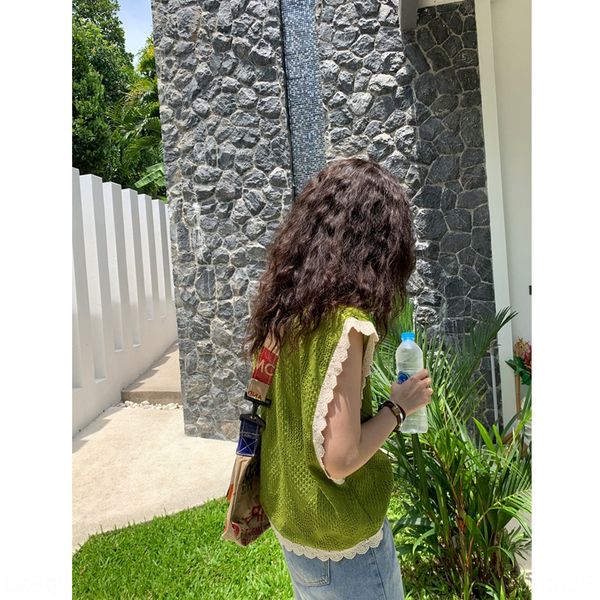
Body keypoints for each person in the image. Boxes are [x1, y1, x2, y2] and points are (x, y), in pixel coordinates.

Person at [243, 157, 434, 599]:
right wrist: (399, 407)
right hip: (342, 543)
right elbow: (341, 458)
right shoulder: (345, 325)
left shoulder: (286, 312)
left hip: (296, 527)